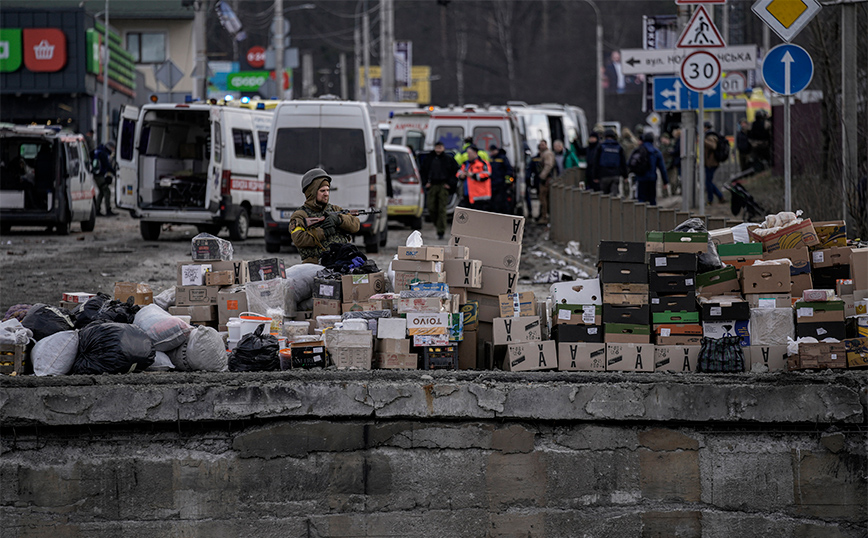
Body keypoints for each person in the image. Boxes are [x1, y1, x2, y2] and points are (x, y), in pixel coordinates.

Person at [289, 168, 361, 263]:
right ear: (312, 192)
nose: (326, 194)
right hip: (315, 263)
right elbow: (298, 239)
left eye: (328, 190)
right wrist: (323, 232)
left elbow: (355, 225)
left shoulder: (335, 209)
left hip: (340, 260)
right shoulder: (300, 215)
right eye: (322, 191)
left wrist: (339, 220)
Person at [420, 141, 459, 239]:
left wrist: (450, 184)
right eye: (437, 147)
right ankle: (438, 224)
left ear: (443, 148)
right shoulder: (429, 158)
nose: (438, 149)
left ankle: (441, 231)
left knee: (442, 208)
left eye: (440, 147)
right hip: (432, 185)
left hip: (443, 186)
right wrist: (426, 183)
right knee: (431, 207)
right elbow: (423, 171)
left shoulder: (448, 159)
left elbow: (455, 172)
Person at [634, 132, 670, 206]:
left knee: (641, 199)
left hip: (641, 178)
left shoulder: (639, 150)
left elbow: (631, 162)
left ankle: (641, 215)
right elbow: (662, 168)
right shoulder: (656, 152)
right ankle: (652, 215)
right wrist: (665, 181)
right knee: (652, 199)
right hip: (652, 178)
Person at [592, 129, 627, 197]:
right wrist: (625, 176)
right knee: (614, 196)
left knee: (604, 196)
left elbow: (596, 162)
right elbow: (623, 162)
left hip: (604, 174)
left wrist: (595, 176)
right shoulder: (619, 147)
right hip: (615, 174)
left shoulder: (601, 147)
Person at [456, 145, 492, 211]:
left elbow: (487, 175)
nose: (467, 155)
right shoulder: (465, 163)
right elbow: (458, 173)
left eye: (469, 153)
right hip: (467, 195)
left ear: (475, 153)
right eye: (467, 153)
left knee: (479, 217)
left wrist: (473, 175)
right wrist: (461, 175)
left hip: (479, 197)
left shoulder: (483, 163)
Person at [703, 122, 726, 205]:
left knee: (708, 182)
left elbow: (713, 146)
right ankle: (719, 197)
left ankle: (711, 199)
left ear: (705, 127)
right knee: (708, 182)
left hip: (711, 163)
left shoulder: (710, 136)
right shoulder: (708, 135)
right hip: (709, 163)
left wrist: (703, 140)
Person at [488, 144, 514, 214]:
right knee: (493, 202)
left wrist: (507, 182)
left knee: (502, 201)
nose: (492, 152)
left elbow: (509, 171)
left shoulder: (503, 158)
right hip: (493, 184)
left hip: (501, 184)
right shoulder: (491, 158)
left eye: (493, 151)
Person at [535, 140, 556, 225]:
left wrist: (542, 176)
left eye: (543, 145)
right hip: (546, 178)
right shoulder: (544, 153)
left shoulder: (547, 154)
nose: (541, 146)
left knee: (543, 198)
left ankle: (545, 217)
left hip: (546, 179)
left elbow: (548, 166)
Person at [93, 141, 117, 216]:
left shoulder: (100, 151)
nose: (113, 150)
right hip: (99, 175)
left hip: (97, 174)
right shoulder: (103, 153)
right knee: (107, 191)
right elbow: (107, 165)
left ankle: (97, 210)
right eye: (112, 148)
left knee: (101, 192)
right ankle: (108, 210)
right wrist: (114, 172)